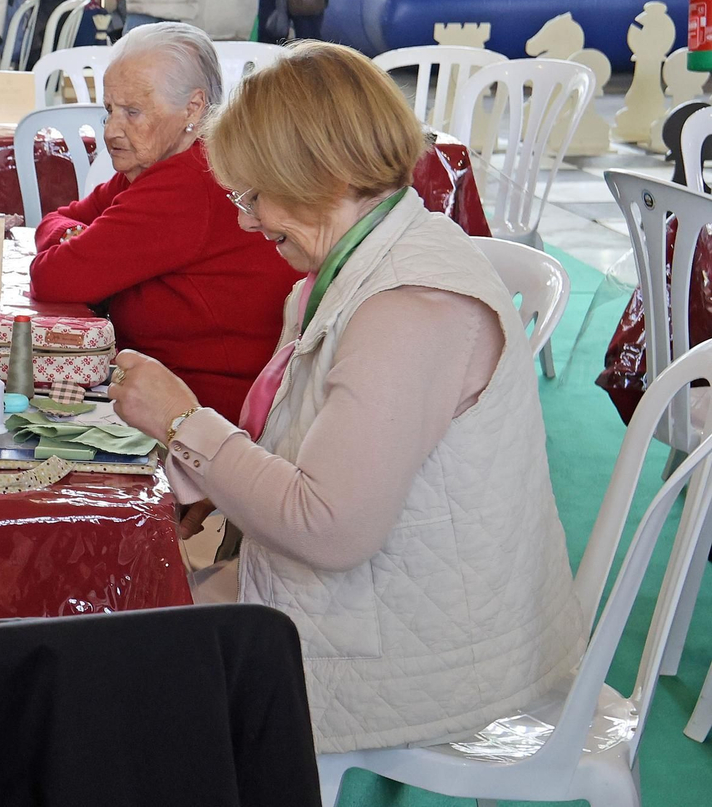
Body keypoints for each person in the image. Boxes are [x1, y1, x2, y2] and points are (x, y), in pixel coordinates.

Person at [108, 42, 584, 753]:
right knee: (118, 602)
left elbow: (329, 527)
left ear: (319, 178)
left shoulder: (409, 308)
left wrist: (184, 422)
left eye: (255, 196)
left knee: (105, 663)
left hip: (430, 653)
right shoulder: (364, 258)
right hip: (397, 602)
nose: (247, 222)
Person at [30, 23, 298, 421]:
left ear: (193, 108)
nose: (110, 130)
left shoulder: (190, 181)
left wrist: (74, 241)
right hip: (168, 400)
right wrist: (74, 235)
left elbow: (52, 275)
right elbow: (58, 218)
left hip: (212, 419)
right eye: (109, 110)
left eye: (133, 112)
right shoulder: (158, 166)